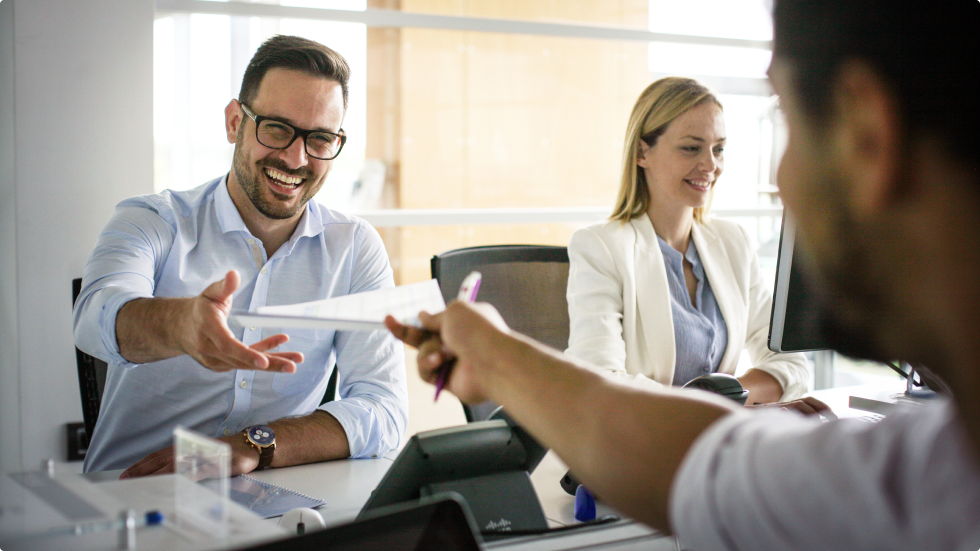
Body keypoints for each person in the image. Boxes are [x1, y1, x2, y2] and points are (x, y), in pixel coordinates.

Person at [386, 0, 980, 548]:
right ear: (642, 152)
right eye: (693, 148)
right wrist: (735, 403)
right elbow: (615, 385)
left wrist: (494, 354)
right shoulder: (919, 469)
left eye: (790, 126)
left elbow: (778, 371)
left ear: (869, 133)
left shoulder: (895, 475)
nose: (719, 167)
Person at [73, 35, 408, 475]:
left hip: (277, 498)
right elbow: (94, 319)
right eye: (276, 128)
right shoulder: (153, 220)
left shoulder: (355, 247)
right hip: (132, 495)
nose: (295, 157)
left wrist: (253, 447)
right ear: (235, 122)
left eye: (320, 139)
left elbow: (384, 410)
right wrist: (181, 327)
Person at [566, 77, 808, 403]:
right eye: (691, 148)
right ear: (642, 152)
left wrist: (725, 399)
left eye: (718, 149)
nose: (711, 165)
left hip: (718, 440)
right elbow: (599, 382)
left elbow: (791, 362)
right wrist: (711, 404)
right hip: (642, 443)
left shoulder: (733, 242)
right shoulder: (601, 248)